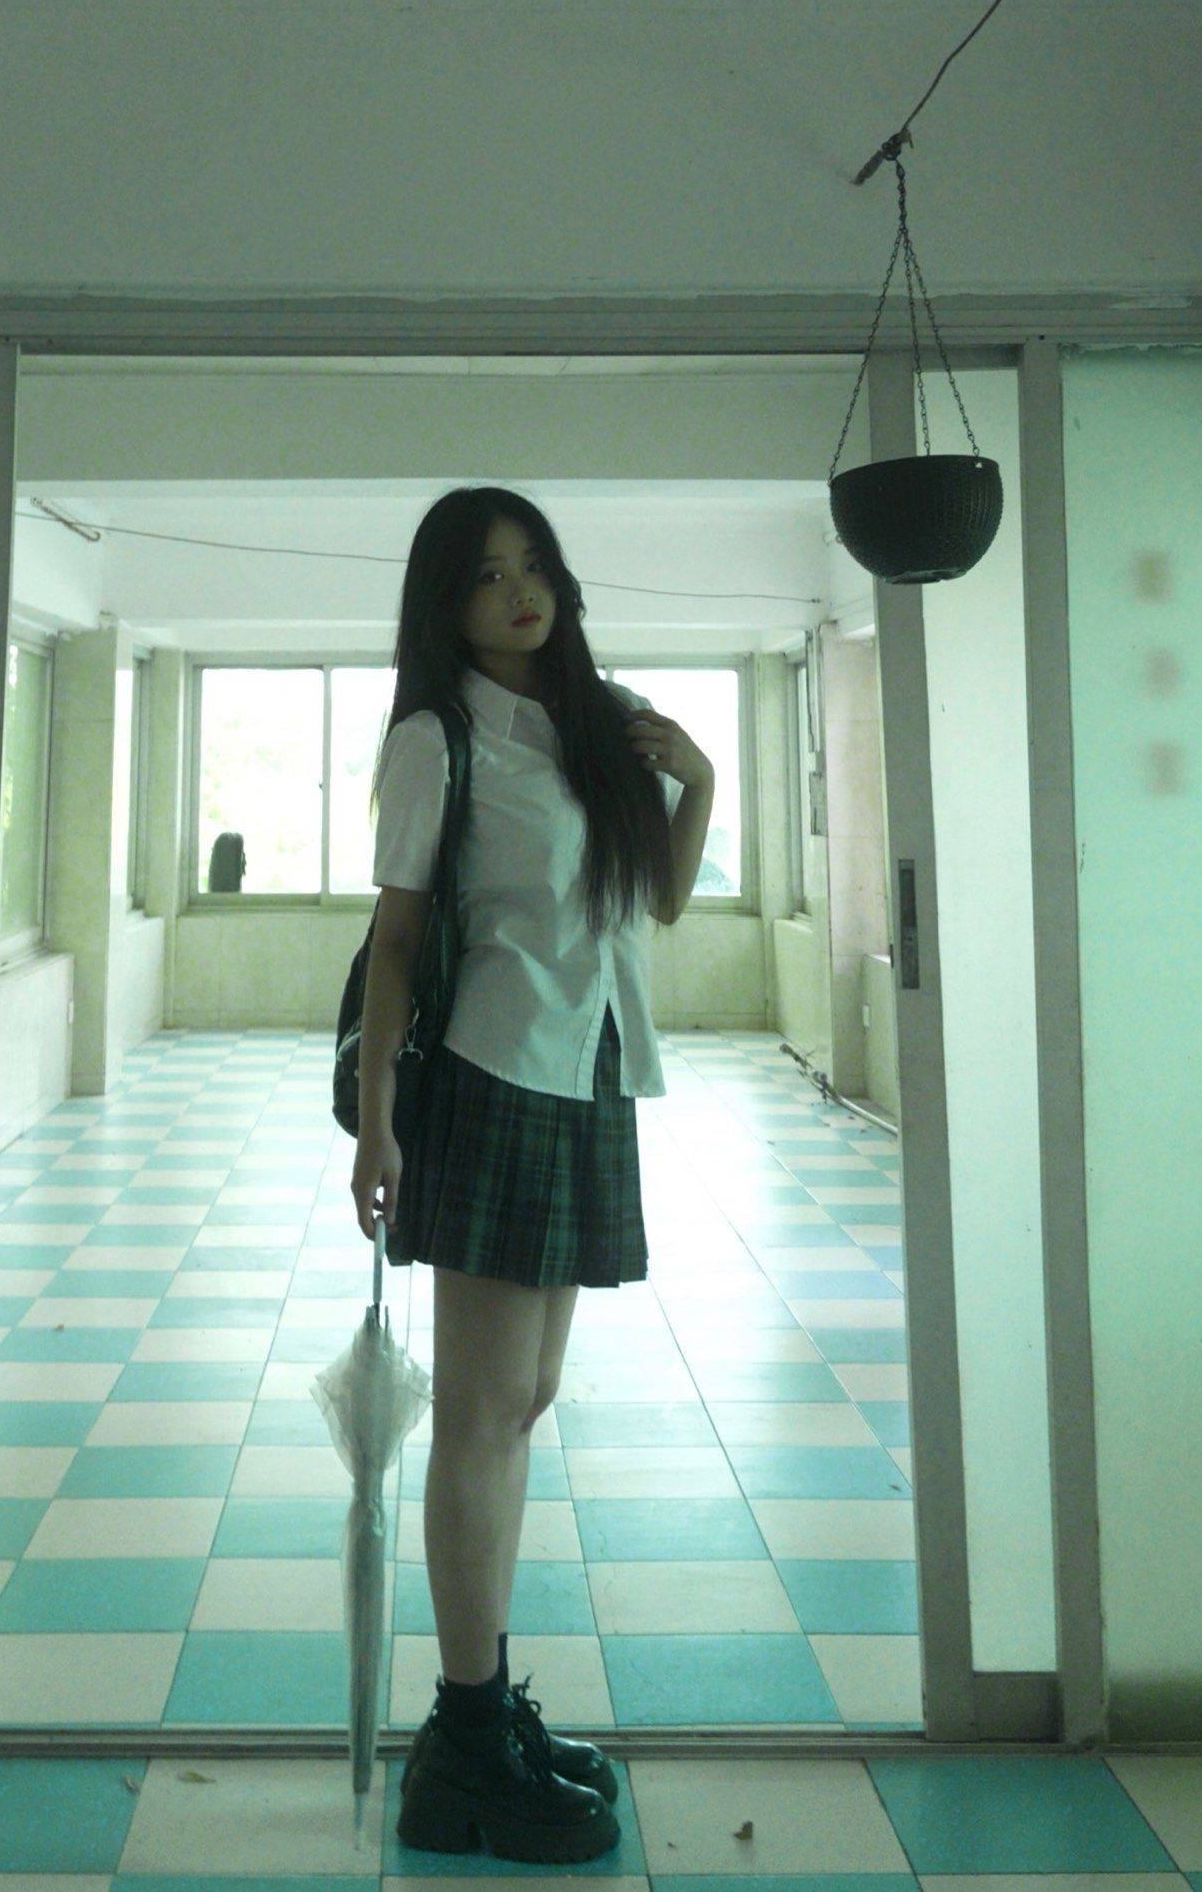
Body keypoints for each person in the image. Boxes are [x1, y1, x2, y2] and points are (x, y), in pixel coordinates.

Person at [349, 485, 713, 1865]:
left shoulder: (598, 721)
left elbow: (655, 901)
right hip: (497, 1073)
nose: (519, 592)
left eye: (533, 565)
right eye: (486, 575)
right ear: (445, 606)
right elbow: (396, 940)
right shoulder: (437, 739)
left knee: (527, 1397)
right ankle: (465, 1735)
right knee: (484, 1412)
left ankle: (483, 1715)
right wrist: (379, 1121)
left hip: (593, 1068)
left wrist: (700, 783)